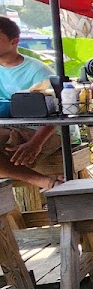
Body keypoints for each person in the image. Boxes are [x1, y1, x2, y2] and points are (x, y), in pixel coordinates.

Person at [0, 18, 62, 190]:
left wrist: (36, 143)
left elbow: (59, 110)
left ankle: (43, 181)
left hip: (49, 131)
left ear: (14, 41)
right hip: (12, 129)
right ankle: (42, 181)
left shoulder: (37, 71)